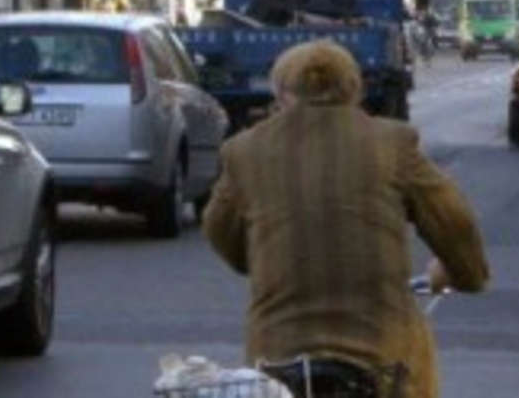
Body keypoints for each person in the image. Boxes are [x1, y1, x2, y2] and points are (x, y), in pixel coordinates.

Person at [203, 40, 489, 398]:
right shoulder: (392, 143)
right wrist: (462, 274)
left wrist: (257, 256)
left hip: (280, 357)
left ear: (280, 92)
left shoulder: (244, 151)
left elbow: (219, 230)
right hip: (384, 358)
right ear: (355, 90)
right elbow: (454, 221)